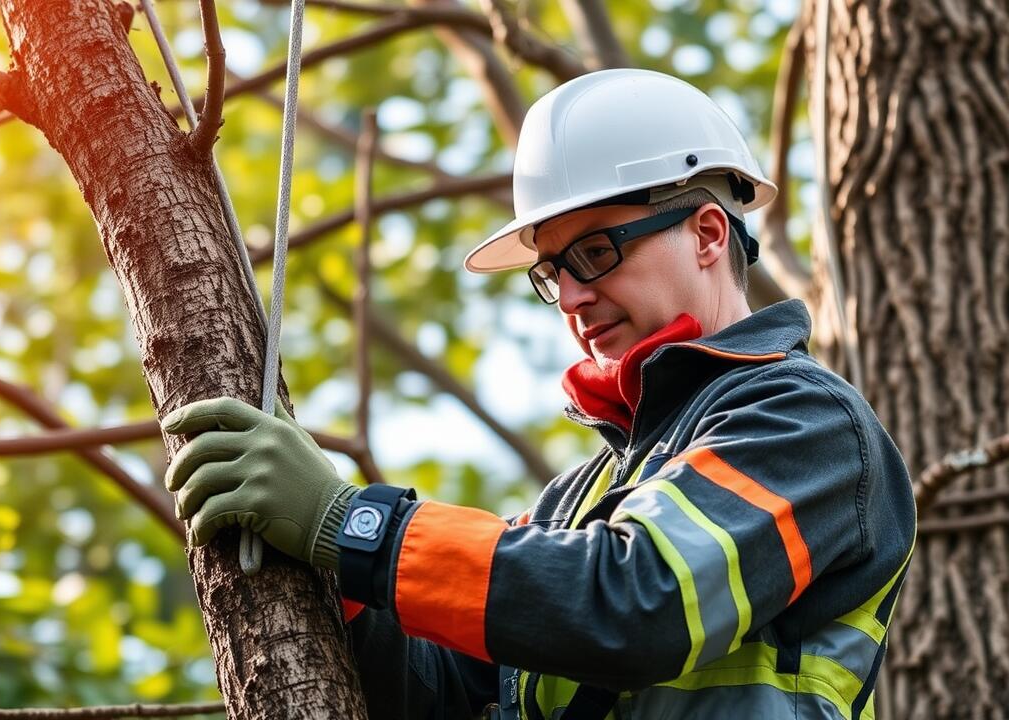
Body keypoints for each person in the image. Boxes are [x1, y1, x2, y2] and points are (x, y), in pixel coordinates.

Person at [160, 69, 916, 719]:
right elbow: (436, 695)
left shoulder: (804, 423)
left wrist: (350, 523)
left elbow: (638, 603)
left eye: (595, 252)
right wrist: (336, 576)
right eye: (554, 273)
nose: (573, 298)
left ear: (710, 233)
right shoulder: (575, 504)